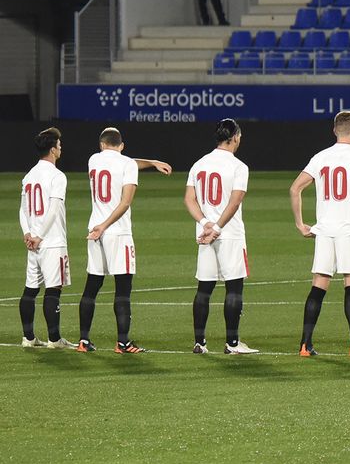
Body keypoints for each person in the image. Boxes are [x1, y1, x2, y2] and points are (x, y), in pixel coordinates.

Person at [292, 110, 350, 357]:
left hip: (324, 230)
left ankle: (305, 344)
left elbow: (295, 188)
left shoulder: (321, 157)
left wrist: (300, 224)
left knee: (319, 286)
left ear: (334, 130)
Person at [78, 127, 171, 353]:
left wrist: (150, 162)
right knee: (123, 289)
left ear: (101, 145)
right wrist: (106, 226)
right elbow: (125, 202)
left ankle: (83, 341)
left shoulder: (93, 160)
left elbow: (125, 162)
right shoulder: (127, 164)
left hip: (94, 230)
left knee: (92, 285)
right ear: (122, 146)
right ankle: (123, 343)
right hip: (117, 231)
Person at [186, 118, 257, 354]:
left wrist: (205, 223)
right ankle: (233, 343)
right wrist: (216, 227)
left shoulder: (199, 164)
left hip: (204, 235)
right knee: (234, 288)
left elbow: (189, 199)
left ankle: (199, 342)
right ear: (234, 137)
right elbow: (235, 200)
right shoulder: (239, 166)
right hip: (229, 234)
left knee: (204, 288)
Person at [19, 128, 71, 349]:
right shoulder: (57, 176)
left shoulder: (29, 176)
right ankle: (54, 339)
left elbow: (22, 210)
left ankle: (28, 338)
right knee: (53, 288)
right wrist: (39, 235)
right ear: (52, 150)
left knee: (31, 288)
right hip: (51, 240)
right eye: (59, 145)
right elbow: (53, 209)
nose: (61, 148)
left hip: (33, 242)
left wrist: (28, 233)